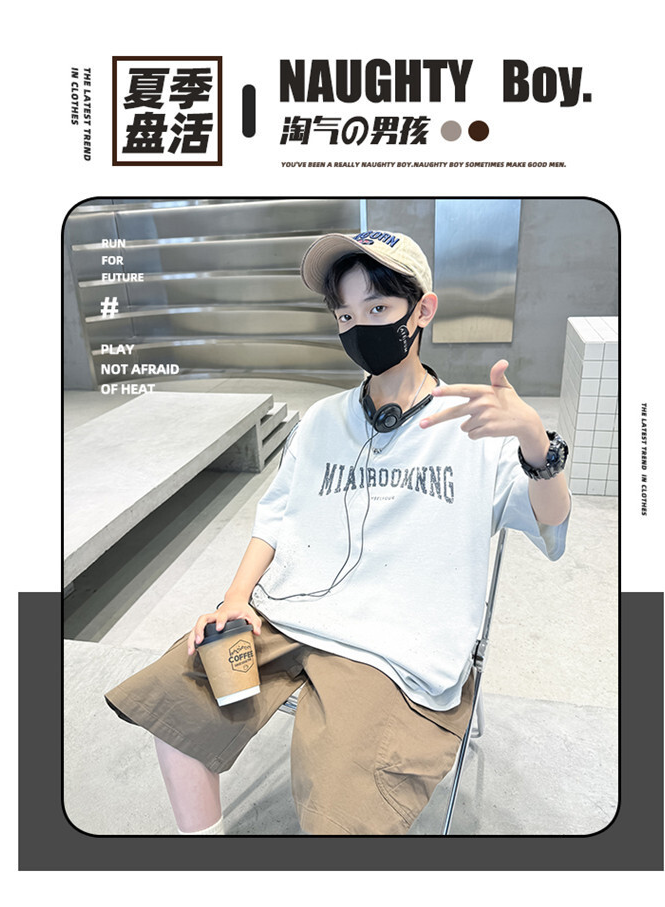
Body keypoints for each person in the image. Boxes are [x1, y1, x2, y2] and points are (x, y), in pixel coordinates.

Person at [105, 228, 571, 836]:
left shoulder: (474, 422)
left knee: (339, 813)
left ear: (423, 310)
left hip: (395, 646)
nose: (359, 328)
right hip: (284, 617)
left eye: (378, 309)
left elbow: (549, 520)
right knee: (179, 704)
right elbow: (276, 517)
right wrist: (235, 599)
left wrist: (535, 440)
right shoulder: (323, 420)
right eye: (346, 316)